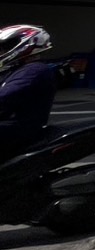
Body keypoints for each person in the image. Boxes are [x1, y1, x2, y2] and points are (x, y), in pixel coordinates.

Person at [0, 24, 56, 154]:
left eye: (4, 47)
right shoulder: (14, 70)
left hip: (17, 129)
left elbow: (5, 97)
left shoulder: (34, 70)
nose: (1, 51)